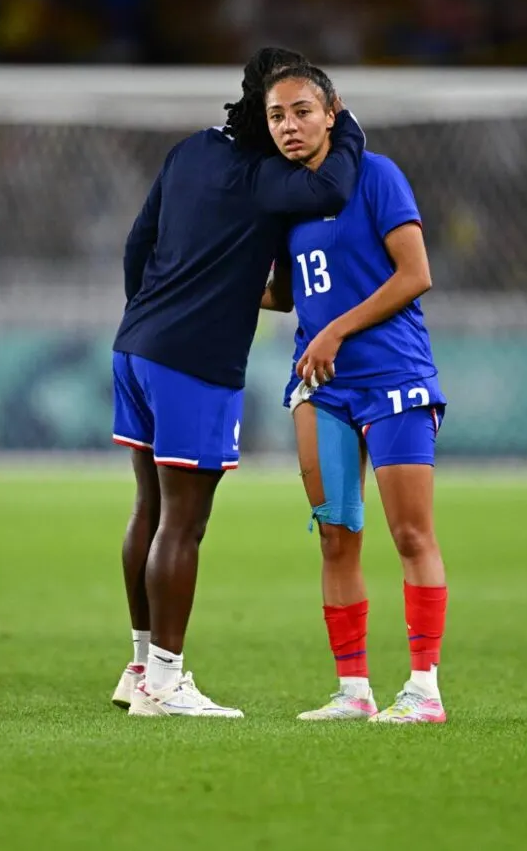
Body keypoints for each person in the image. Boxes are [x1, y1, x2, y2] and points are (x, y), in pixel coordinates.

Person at [110, 49, 366, 718]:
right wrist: (350, 126)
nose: (288, 126)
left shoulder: (190, 150)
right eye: (279, 111)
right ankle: (164, 683)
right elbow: (333, 189)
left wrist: (152, 315)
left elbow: (137, 246)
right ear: (264, 110)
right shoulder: (263, 177)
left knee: (149, 508)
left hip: (135, 346)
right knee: (184, 523)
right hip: (193, 364)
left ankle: (139, 665)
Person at [259, 64, 450, 724]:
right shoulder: (288, 198)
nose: (290, 125)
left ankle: (424, 687)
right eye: (278, 116)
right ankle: (354, 688)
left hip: (393, 377)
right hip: (321, 387)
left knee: (409, 532)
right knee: (336, 536)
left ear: (333, 111)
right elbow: (288, 291)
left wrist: (336, 329)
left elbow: (416, 272)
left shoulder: (378, 174)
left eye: (302, 110)